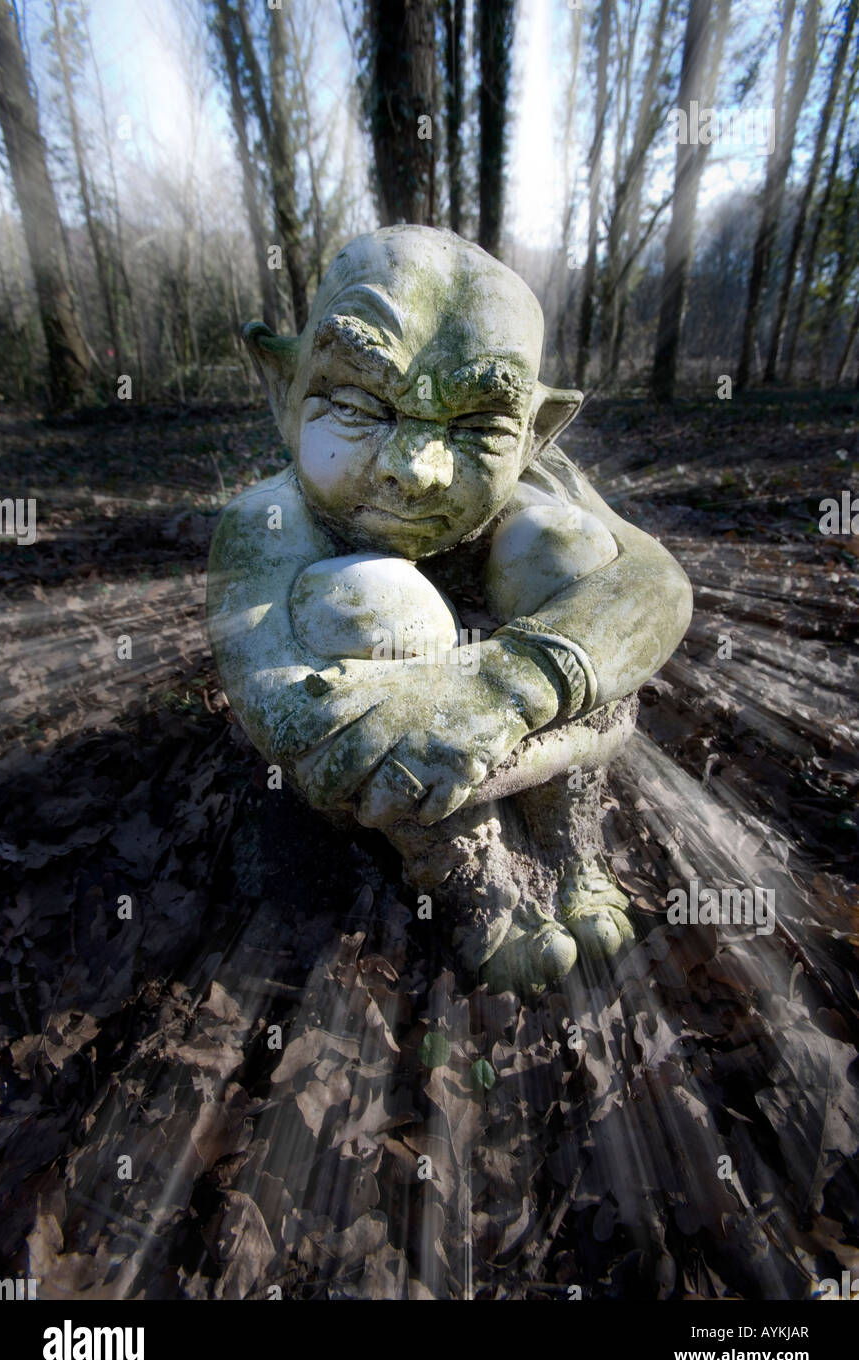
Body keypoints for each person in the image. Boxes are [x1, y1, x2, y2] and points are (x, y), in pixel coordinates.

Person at [207, 226, 692, 993]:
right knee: (371, 601)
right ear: (284, 386)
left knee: (567, 549)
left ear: (536, 431)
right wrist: (573, 732)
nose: (416, 473)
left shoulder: (542, 477)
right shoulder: (266, 525)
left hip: (492, 710)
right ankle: (474, 874)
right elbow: (303, 732)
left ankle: (568, 846)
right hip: (432, 758)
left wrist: (502, 687)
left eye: (476, 427)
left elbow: (654, 583)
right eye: (363, 403)